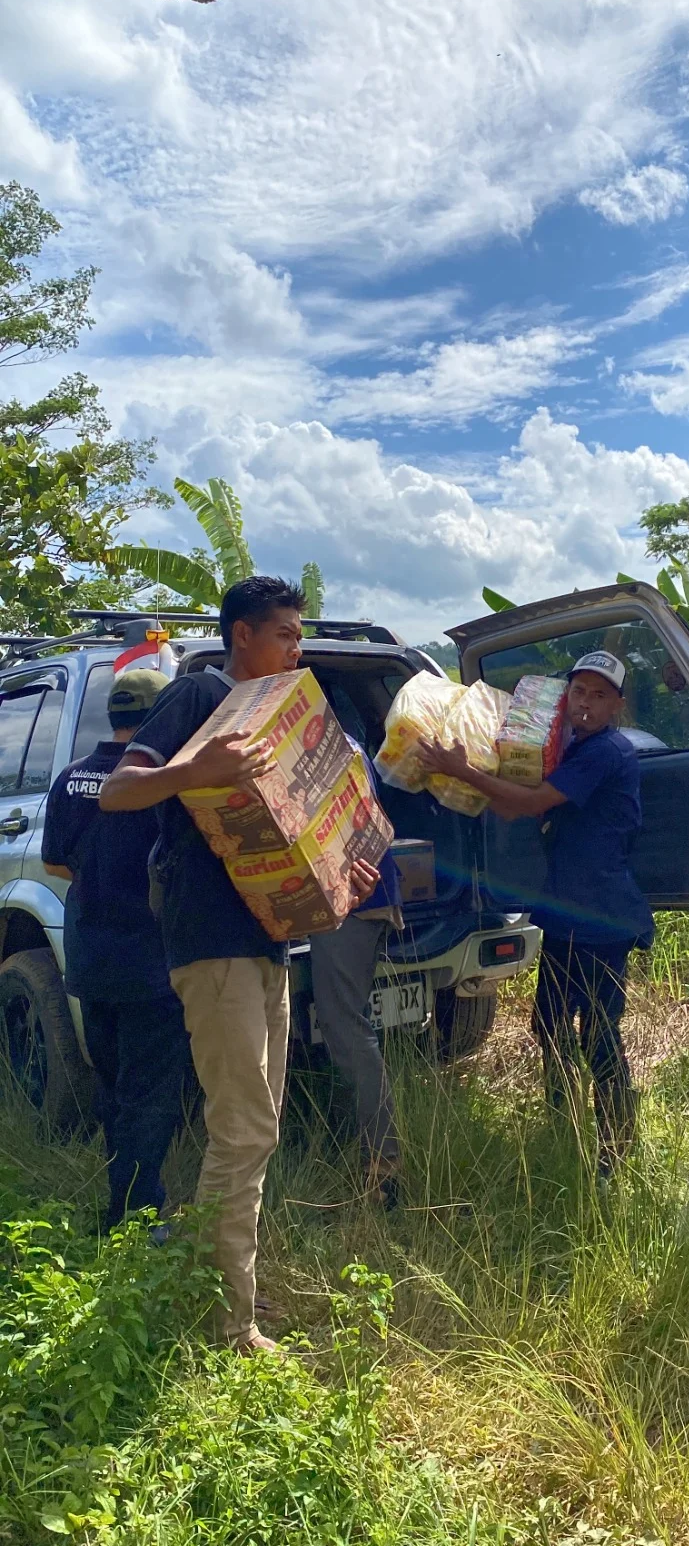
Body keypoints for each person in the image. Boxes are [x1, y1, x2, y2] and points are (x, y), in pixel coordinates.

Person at [99, 577, 380, 1354]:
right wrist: (198, 768)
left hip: (269, 945)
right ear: (244, 636)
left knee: (255, 1129)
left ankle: (212, 1288)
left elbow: (296, 841)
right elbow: (119, 793)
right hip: (210, 942)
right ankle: (229, 1324)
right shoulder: (198, 701)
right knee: (244, 1127)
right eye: (286, 634)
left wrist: (340, 882)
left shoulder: (283, 723)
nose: (296, 649)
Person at [420, 651, 654, 1180]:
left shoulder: (607, 753)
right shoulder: (574, 750)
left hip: (602, 916)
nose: (585, 704)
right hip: (569, 914)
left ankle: (617, 1146)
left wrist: (458, 768)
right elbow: (512, 806)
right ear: (565, 698)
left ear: (617, 704)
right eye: (578, 693)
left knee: (597, 1031)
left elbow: (530, 804)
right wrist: (474, 774)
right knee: (548, 1024)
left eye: (599, 695)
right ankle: (563, 1124)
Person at [41, 667, 188, 1234]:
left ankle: (120, 1201)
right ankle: (139, 1215)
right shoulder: (158, 781)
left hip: (88, 953)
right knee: (150, 1092)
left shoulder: (72, 778)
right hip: (149, 959)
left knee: (113, 1085)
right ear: (155, 718)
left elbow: (55, 862)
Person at [307, 742, 404, 1207]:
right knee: (347, 1023)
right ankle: (349, 1145)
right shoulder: (343, 745)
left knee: (347, 1027)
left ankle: (384, 1171)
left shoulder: (327, 751)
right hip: (354, 898)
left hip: (353, 900)